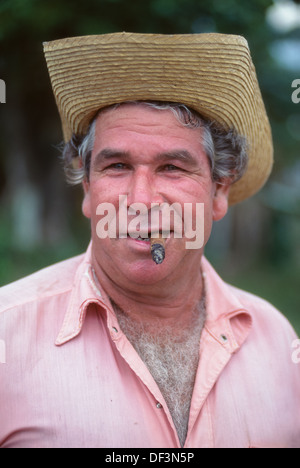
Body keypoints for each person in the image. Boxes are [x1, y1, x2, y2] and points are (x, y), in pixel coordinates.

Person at [0, 32, 299, 449]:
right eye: (117, 165)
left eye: (173, 167)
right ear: (87, 189)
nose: (141, 201)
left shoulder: (278, 341)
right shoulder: (7, 333)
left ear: (219, 192)